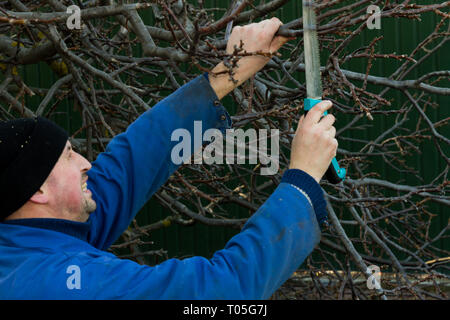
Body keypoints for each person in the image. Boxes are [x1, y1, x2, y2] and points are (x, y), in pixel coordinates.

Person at [0, 18, 337, 299]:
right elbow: (223, 292)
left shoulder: (28, 239)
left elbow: (131, 163)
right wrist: (302, 180)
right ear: (38, 192)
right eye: (69, 156)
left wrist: (227, 73)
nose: (86, 163)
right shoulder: (59, 284)